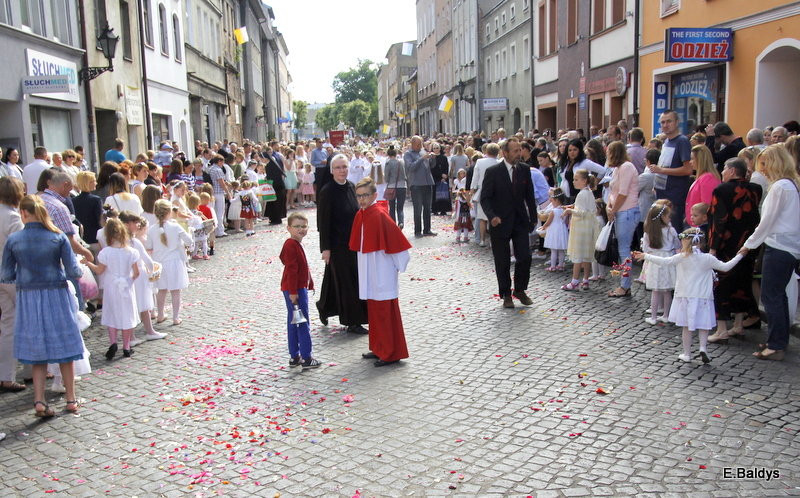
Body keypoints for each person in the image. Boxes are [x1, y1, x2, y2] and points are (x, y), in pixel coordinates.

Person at [0, 195, 84, 416]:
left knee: (36, 352)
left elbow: (6, 274)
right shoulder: (57, 236)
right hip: (56, 294)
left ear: (24, 213)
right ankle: (71, 399)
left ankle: (39, 400)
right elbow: (74, 271)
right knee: (65, 348)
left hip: (28, 298)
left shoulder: (15, 240)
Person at [634, 228, 743, 364]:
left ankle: (687, 354)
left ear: (685, 241)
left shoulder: (682, 257)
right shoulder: (708, 258)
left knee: (687, 327)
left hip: (685, 296)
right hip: (704, 297)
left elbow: (664, 261)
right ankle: (703, 348)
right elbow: (726, 267)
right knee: (704, 326)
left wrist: (646, 256)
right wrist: (740, 255)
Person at [739, 145, 800, 361]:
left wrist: (749, 244)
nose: (761, 169)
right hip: (789, 246)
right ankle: (778, 340)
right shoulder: (791, 184)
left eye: (764, 164)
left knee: (771, 296)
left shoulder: (780, 187)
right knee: (778, 296)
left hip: (779, 246)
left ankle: (776, 345)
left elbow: (767, 221)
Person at [349, 177, 412, 367]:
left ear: (374, 195)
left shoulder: (379, 215)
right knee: (375, 311)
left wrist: (398, 265)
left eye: (365, 196)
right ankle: (378, 348)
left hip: (382, 271)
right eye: (358, 196)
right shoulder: (362, 213)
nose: (361, 200)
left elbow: (399, 246)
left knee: (385, 312)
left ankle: (391, 352)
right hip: (370, 271)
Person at [707, 158, 762, 343]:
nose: (722, 172)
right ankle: (738, 325)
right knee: (743, 283)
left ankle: (722, 328)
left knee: (722, 286)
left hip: (726, 245)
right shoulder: (756, 189)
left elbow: (718, 221)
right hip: (748, 245)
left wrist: (713, 248)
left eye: (723, 168)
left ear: (731, 170)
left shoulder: (721, 190)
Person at [479, 138, 537, 308]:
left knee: (525, 257)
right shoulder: (493, 171)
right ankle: (506, 294)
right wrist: (492, 216)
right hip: (500, 222)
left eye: (520, 150)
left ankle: (519, 289)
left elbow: (529, 196)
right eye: (515, 151)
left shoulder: (524, 170)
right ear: (505, 153)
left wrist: (533, 217)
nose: (519, 154)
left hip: (519, 221)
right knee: (502, 261)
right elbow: (485, 198)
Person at [316, 154, 369, 333]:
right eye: (338, 167)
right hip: (337, 245)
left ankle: (324, 306)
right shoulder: (327, 191)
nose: (342, 170)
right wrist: (326, 249)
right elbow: (323, 223)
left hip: (354, 243)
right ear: (331, 171)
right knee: (347, 282)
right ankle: (353, 322)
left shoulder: (352, 187)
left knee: (334, 279)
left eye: (344, 167)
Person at [84, 218, 140, 360]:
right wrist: (128, 280)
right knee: (127, 314)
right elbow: (136, 273)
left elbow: (99, 270)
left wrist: (89, 264)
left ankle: (113, 342)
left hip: (111, 285)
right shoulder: (131, 252)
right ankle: (126, 346)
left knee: (112, 313)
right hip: (125, 285)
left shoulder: (106, 252)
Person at [280, 212, 319, 369]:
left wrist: (309, 283)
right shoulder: (291, 245)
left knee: (294, 320)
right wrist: (294, 292)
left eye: (304, 226)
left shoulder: (293, 244)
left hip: (294, 288)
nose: (301, 229)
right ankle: (307, 357)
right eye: (297, 227)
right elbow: (291, 268)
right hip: (294, 289)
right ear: (289, 228)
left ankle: (295, 356)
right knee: (302, 322)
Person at [145, 200, 192, 326]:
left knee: (162, 290)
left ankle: (160, 314)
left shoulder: (151, 229)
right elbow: (189, 241)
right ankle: (175, 317)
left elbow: (148, 246)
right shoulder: (175, 226)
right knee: (175, 291)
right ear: (169, 212)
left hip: (159, 262)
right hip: (174, 261)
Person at [0, 177, 26, 392]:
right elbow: (20, 248)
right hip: (13, 275)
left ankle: (6, 375)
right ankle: (33, 367)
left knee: (8, 324)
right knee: (27, 320)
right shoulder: (12, 217)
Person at [605, 141, 640, 297]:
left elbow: (623, 193)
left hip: (627, 211)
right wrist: (609, 207)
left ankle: (625, 285)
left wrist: (613, 209)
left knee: (624, 249)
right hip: (620, 210)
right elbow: (614, 192)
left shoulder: (626, 167)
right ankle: (624, 284)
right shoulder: (618, 168)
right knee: (622, 249)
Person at [650, 110, 693, 231]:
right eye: (663, 122)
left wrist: (661, 170)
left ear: (677, 122)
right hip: (662, 194)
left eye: (669, 121)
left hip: (675, 196)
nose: (665, 125)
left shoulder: (682, 141)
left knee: (674, 232)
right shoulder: (666, 141)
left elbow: (687, 169)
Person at [641, 203, 680, 325]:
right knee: (667, 291)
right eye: (668, 216)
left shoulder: (649, 232)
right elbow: (677, 245)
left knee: (656, 291)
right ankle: (666, 315)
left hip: (654, 260)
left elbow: (646, 249)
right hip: (668, 259)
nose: (670, 218)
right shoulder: (671, 230)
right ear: (662, 217)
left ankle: (653, 316)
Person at [563, 170, 599, 291]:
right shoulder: (588, 192)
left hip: (581, 228)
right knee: (586, 255)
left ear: (584, 181)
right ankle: (585, 279)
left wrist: (570, 211)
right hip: (587, 227)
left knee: (578, 255)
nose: (574, 182)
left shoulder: (582, 194)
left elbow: (582, 212)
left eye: (576, 179)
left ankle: (574, 281)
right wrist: (572, 207)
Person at [404, 136, 436, 238]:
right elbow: (410, 167)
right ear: (412, 144)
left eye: (420, 144)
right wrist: (421, 159)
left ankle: (427, 229)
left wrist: (432, 159)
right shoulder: (408, 154)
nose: (419, 146)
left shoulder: (423, 151)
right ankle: (417, 231)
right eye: (417, 144)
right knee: (418, 209)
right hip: (416, 184)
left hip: (427, 183)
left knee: (427, 207)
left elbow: (431, 166)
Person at [471, 143, 500, 246]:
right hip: (496, 192)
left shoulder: (480, 162)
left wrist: (472, 191)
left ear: (487, 151)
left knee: (482, 218)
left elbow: (475, 178)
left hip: (482, 191)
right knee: (493, 217)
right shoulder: (499, 162)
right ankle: (493, 240)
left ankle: (482, 240)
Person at [541, 188, 568, 271]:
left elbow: (548, 222)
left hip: (554, 231)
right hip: (562, 230)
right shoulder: (564, 210)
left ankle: (552, 266)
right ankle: (561, 265)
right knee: (561, 250)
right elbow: (566, 221)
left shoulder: (553, 211)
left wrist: (543, 227)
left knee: (554, 250)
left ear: (556, 200)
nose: (551, 203)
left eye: (552, 201)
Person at [383, 146, 407, 227]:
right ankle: (401, 222)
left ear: (388, 154)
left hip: (391, 186)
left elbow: (386, 177)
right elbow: (404, 174)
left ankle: (393, 224)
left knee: (392, 207)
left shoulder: (388, 163)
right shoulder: (401, 162)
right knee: (400, 208)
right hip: (402, 186)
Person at [207, 154, 230, 236]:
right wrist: (228, 192)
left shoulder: (210, 169)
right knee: (220, 212)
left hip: (212, 193)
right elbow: (222, 183)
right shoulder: (218, 170)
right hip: (219, 192)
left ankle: (215, 230)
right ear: (219, 161)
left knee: (214, 212)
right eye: (222, 161)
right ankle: (220, 230)